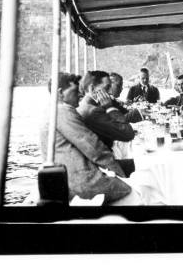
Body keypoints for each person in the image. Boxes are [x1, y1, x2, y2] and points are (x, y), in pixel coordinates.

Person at [39, 73, 131, 204]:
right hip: (79, 181)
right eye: (75, 91)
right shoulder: (64, 112)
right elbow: (94, 148)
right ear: (60, 92)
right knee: (132, 191)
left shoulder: (52, 110)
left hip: (66, 176)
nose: (80, 95)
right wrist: (120, 174)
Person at [77, 71, 135, 149]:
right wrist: (110, 108)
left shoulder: (86, 104)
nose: (110, 92)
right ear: (92, 88)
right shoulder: (94, 111)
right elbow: (128, 133)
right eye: (107, 87)